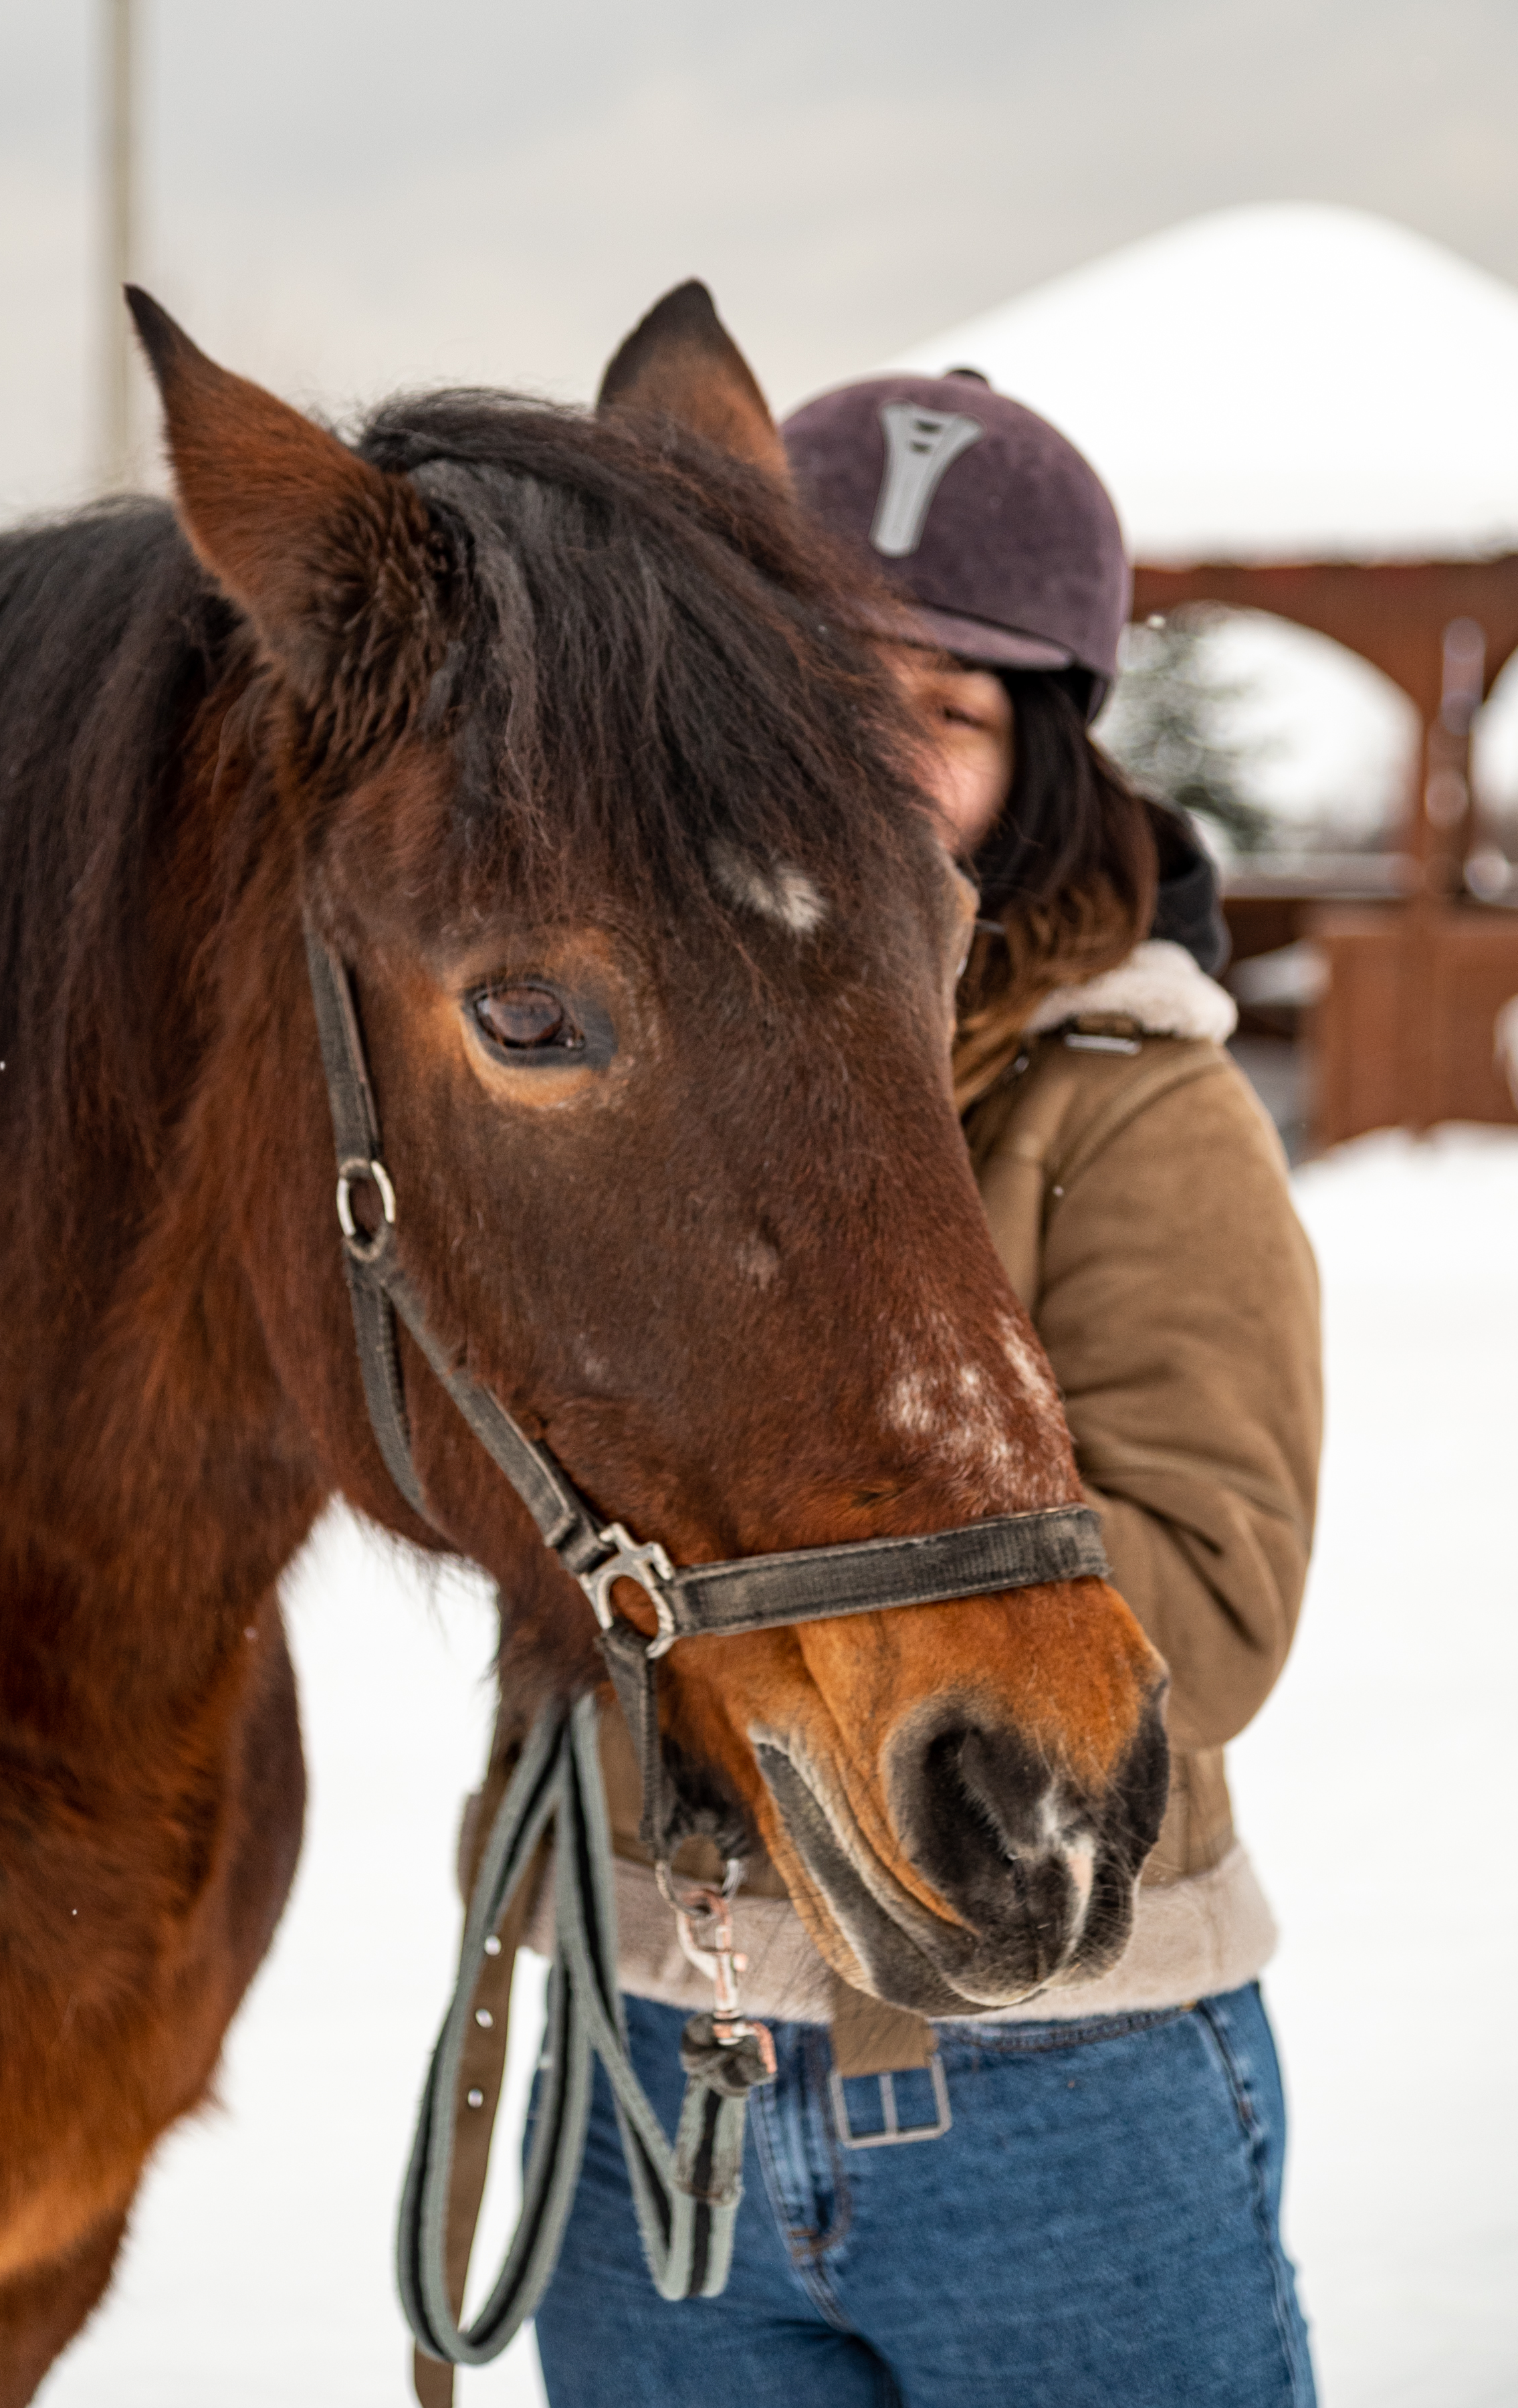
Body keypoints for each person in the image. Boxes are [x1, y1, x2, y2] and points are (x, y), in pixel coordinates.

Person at [526, 375, 1323, 2407]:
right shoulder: (632, 1103)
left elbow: (1212, 1619)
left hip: (1053, 2073)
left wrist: (809, 1523)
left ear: (1042, 765)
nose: (874, 758)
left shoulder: (1143, 1111)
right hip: (654, 2070)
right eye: (823, 692)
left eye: (948, 715)